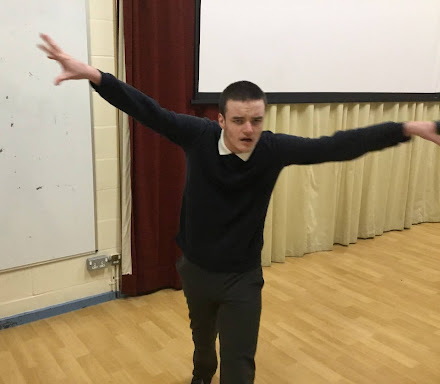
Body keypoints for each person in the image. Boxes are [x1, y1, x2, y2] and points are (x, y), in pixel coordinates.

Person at [38, 33, 440, 384]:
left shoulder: (273, 150)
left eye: (256, 120)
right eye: (239, 120)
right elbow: (148, 111)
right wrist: (94, 75)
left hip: (242, 276)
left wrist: (406, 129)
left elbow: (334, 145)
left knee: (239, 361)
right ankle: (200, 373)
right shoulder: (197, 135)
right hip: (195, 268)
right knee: (202, 341)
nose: (249, 129)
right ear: (221, 119)